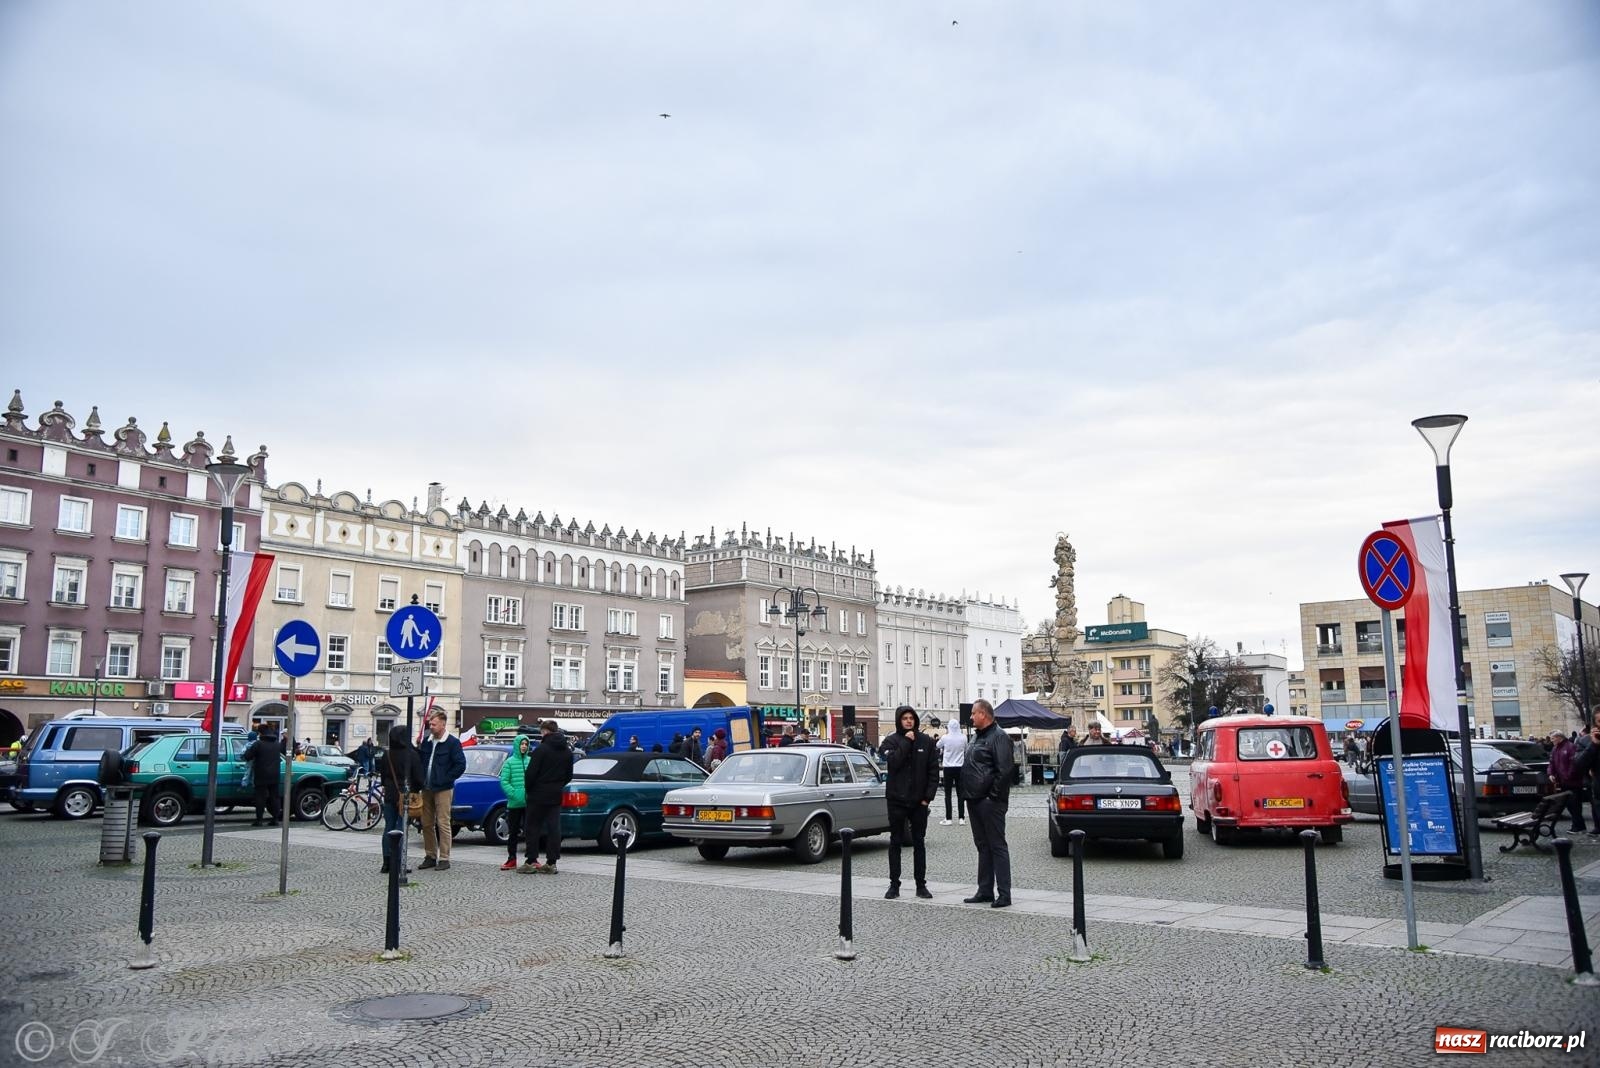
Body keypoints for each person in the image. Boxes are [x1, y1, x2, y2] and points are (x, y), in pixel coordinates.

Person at [879, 705, 940, 899]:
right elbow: (894, 763)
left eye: (911, 718)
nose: (908, 721)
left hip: (918, 802)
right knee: (895, 842)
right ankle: (894, 884)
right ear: (899, 720)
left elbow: (933, 772)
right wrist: (906, 741)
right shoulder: (890, 741)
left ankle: (921, 884)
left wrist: (926, 799)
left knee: (919, 842)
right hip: (896, 800)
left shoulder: (927, 742)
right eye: (904, 718)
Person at [959, 699, 1014, 908]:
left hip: (990, 802)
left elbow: (1005, 770)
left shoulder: (998, 737)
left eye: (973, 713)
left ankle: (1004, 894)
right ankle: (984, 890)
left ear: (984, 714)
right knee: (982, 846)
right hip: (974, 799)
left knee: (997, 846)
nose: (971, 717)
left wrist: (993, 797)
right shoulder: (976, 736)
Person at [417, 712, 466, 871]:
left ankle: (444, 857)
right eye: (430, 724)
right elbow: (421, 761)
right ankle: (430, 855)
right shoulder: (426, 741)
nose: (431, 727)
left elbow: (460, 765)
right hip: (427, 787)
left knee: (443, 822)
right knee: (426, 823)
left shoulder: (452, 742)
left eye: (434, 724)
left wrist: (446, 779)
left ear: (443, 724)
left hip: (443, 788)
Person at [521, 721, 573, 873]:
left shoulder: (541, 750)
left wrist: (529, 789)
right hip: (556, 793)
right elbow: (569, 775)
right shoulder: (567, 751)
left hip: (537, 794)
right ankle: (551, 862)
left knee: (532, 827)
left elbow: (530, 774)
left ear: (544, 732)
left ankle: (531, 861)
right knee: (554, 828)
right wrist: (558, 785)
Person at [377, 724, 422, 875]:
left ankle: (386, 862)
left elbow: (383, 776)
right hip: (406, 796)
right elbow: (419, 778)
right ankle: (398, 862)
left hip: (390, 795)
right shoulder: (411, 754)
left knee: (388, 827)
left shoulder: (387, 754)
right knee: (401, 828)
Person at [497, 735, 533, 871]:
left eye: (526, 744)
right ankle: (512, 858)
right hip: (514, 803)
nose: (524, 746)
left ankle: (531, 858)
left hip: (529, 803)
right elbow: (504, 781)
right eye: (522, 744)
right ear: (517, 745)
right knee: (513, 832)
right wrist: (513, 794)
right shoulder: (509, 762)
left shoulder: (530, 761)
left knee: (530, 831)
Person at [242, 726, 285, 826]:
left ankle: (259, 820)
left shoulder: (258, 744)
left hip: (261, 774)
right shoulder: (276, 744)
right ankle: (275, 819)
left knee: (260, 797)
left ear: (260, 734)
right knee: (275, 797)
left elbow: (247, 756)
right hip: (275, 774)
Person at [1548, 730, 1588, 833]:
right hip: (1563, 781)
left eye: (1553, 738)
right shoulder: (1555, 748)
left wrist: (1568, 776)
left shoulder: (1570, 747)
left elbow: (1574, 764)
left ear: (1559, 737)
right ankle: (1578, 825)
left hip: (1573, 781)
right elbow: (1551, 762)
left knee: (1575, 805)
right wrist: (1551, 773)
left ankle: (1578, 826)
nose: (1551, 740)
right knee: (1570, 805)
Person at [936, 721, 967, 826]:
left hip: (948, 767)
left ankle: (948, 818)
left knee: (948, 794)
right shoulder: (963, 737)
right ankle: (961, 818)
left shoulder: (945, 737)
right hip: (960, 767)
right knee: (960, 793)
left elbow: (937, 745)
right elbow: (966, 748)